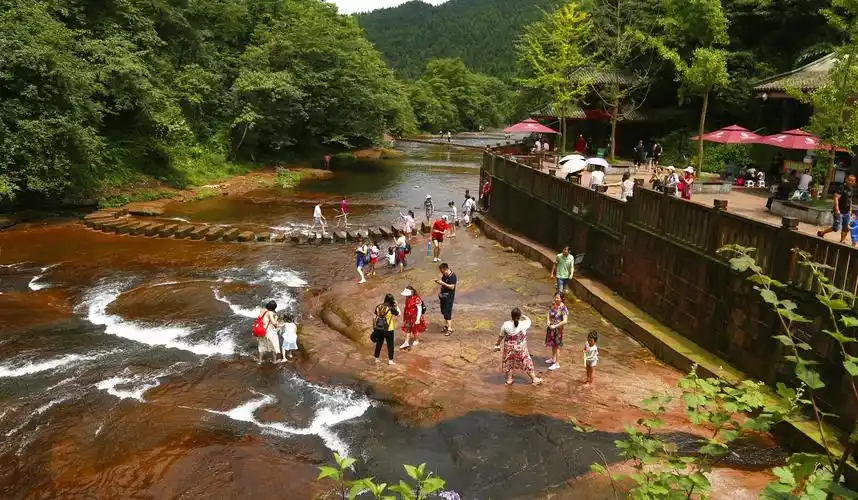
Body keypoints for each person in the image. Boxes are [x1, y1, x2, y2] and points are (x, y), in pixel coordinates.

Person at [493, 308, 543, 386]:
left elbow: (501, 336)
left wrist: (497, 344)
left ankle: (509, 379)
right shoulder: (524, 324)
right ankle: (534, 379)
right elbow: (529, 320)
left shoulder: (506, 324)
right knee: (526, 361)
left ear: (511, 315)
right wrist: (523, 315)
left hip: (509, 347)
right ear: (519, 316)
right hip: (520, 348)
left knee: (509, 362)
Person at [818, 174, 857, 243]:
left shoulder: (851, 189)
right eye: (849, 180)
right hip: (839, 211)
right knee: (836, 227)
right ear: (846, 180)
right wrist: (837, 210)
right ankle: (821, 233)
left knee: (846, 228)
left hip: (847, 212)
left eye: (852, 181)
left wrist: (850, 210)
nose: (850, 182)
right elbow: (836, 198)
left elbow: (850, 200)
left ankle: (842, 241)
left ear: (854, 182)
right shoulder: (841, 187)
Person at [372, 294, 400, 365]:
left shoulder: (378, 306)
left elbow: (374, 317)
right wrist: (397, 305)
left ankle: (376, 359)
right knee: (390, 345)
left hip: (379, 328)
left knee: (379, 343)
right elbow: (399, 314)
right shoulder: (390, 308)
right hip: (389, 329)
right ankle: (390, 360)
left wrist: (374, 327)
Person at [545, 292, 568, 371]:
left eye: (558, 298)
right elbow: (548, 313)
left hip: (558, 330)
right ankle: (553, 358)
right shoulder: (553, 304)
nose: (556, 299)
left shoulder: (563, 308)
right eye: (555, 297)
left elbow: (565, 321)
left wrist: (556, 326)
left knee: (557, 346)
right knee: (553, 344)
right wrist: (548, 320)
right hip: (551, 328)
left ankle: (557, 363)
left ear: (562, 299)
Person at [436, 263, 457, 336]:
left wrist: (442, 283)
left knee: (447, 312)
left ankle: (450, 328)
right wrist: (440, 291)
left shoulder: (453, 276)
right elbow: (442, 285)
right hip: (443, 296)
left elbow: (452, 287)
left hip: (449, 297)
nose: (441, 273)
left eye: (442, 271)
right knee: (443, 311)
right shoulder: (444, 275)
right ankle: (447, 325)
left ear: (446, 269)